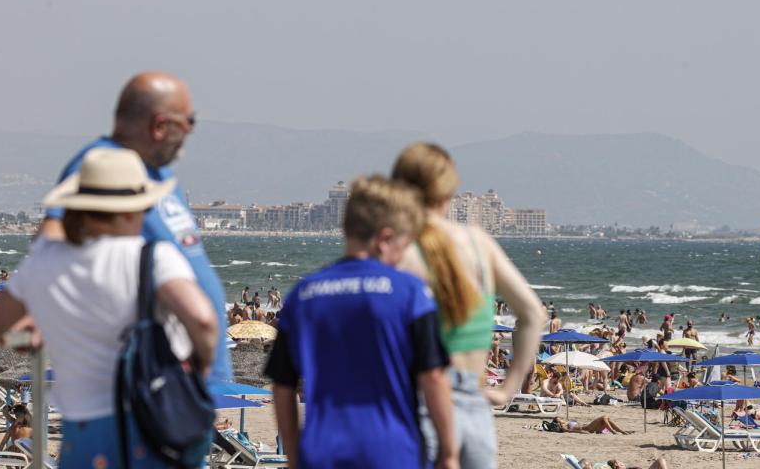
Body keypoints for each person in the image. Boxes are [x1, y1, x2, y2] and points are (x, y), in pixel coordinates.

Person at [0, 148, 218, 468]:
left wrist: (3, 339)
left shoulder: (48, 260)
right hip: (149, 429)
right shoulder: (154, 258)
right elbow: (203, 320)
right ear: (136, 208)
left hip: (84, 437)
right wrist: (199, 373)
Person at [36, 72, 231, 388]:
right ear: (159, 125)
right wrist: (36, 302)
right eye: (189, 121)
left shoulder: (160, 174)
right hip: (154, 377)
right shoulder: (103, 164)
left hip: (190, 381)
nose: (192, 131)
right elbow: (54, 233)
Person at [264, 175, 458, 469]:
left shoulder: (304, 295)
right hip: (392, 451)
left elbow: (282, 386)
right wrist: (448, 453)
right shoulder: (410, 293)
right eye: (403, 245)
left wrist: (293, 457)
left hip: (322, 452)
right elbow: (433, 377)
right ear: (384, 239)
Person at [393, 142, 546, 468]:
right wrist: (509, 388)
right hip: (474, 408)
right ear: (449, 191)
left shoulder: (399, 251)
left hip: (418, 402)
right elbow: (533, 314)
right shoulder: (478, 243)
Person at [548, 415, 632, 435]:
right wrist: (583, 432)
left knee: (607, 419)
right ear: (557, 422)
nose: (561, 420)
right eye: (559, 420)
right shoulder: (563, 426)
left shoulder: (566, 423)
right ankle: (615, 431)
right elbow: (570, 431)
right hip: (588, 428)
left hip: (590, 427)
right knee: (604, 417)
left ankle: (620, 431)